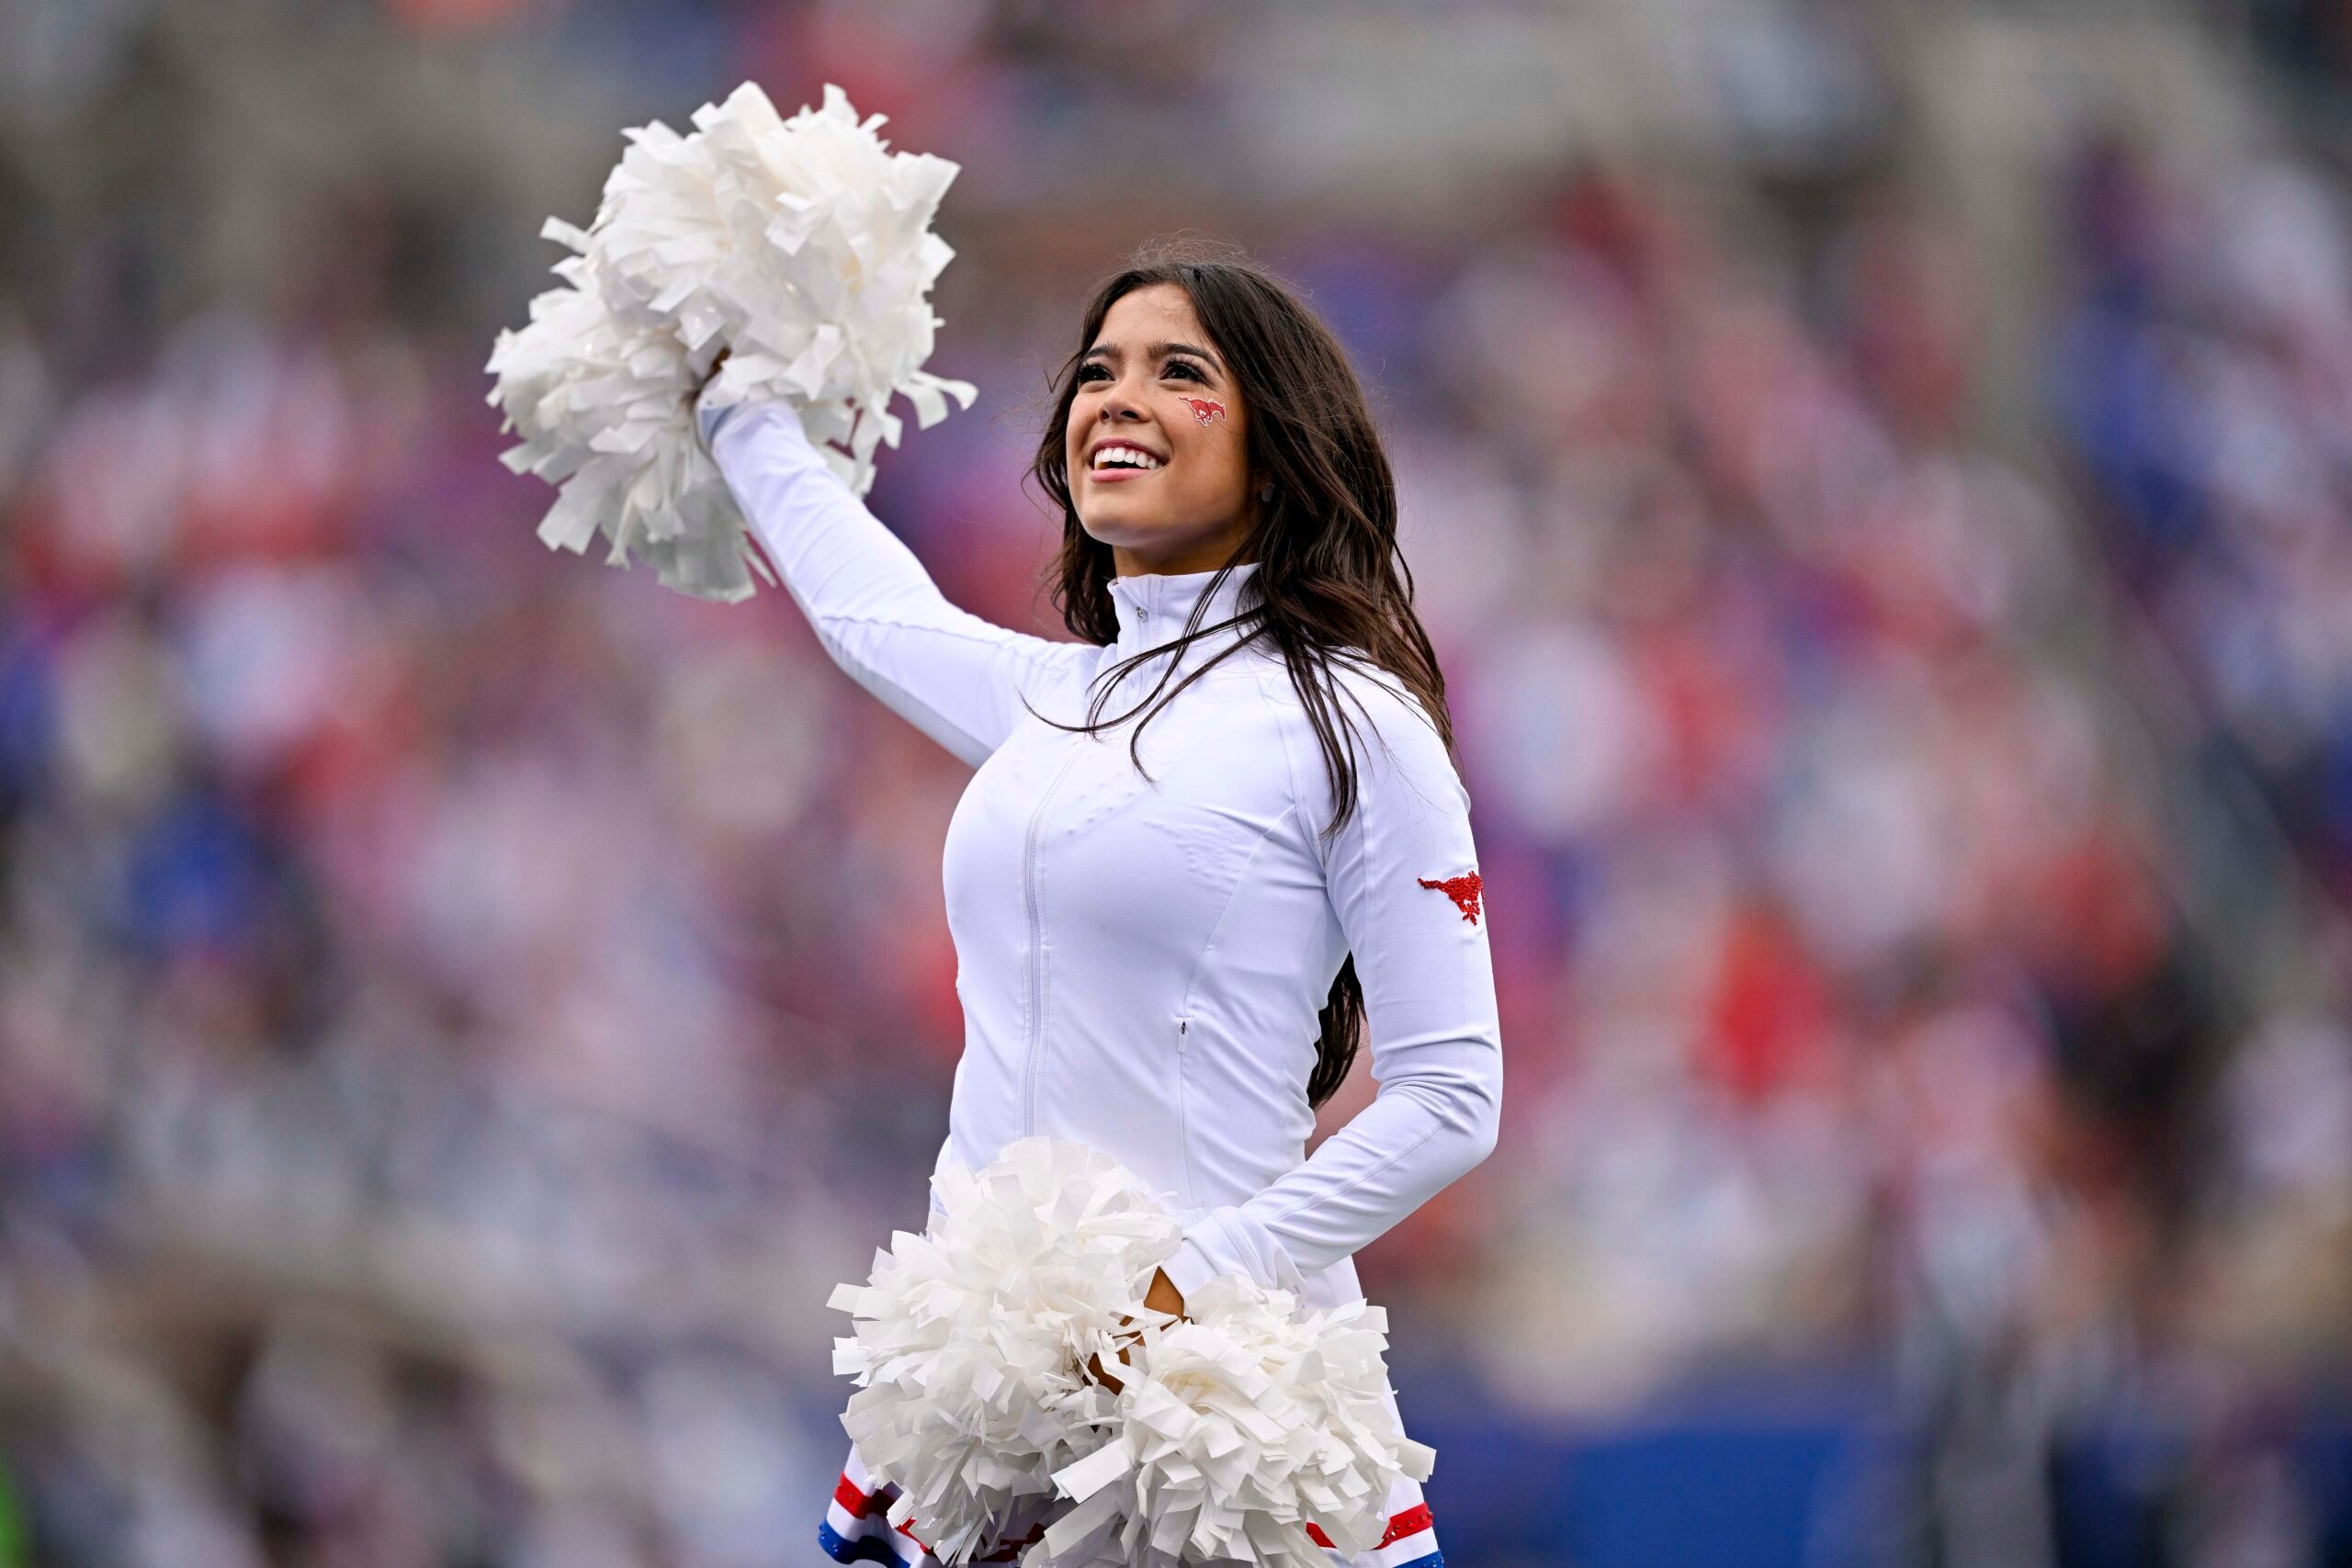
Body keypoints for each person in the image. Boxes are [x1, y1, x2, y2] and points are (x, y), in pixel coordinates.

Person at [695, 241, 1498, 1568]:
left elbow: (1452, 1096)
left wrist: (1192, 1284)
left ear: (1278, 443)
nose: (1115, 398)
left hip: (1211, 1417)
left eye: (1180, 373)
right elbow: (867, 615)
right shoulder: (1056, 700)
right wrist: (730, 404)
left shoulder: (1353, 720)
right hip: (993, 1389)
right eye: (1096, 372)